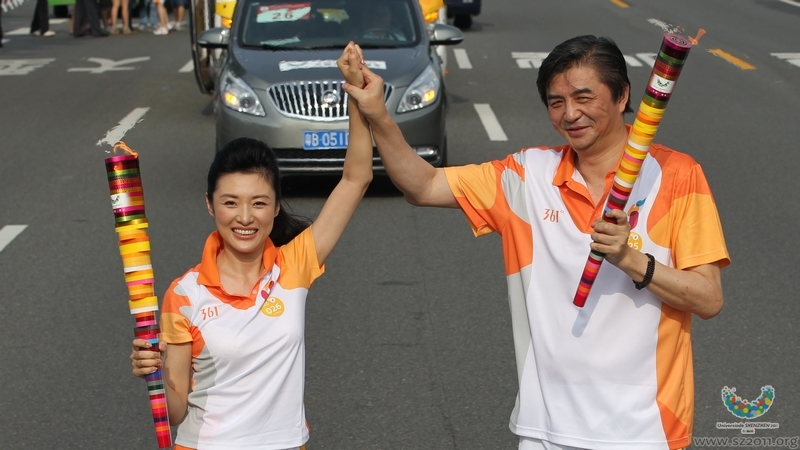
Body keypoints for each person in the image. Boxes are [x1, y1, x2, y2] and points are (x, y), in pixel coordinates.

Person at [342, 34, 729, 450]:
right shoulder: (527, 175)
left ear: (622, 97)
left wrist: (631, 259)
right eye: (556, 101)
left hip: (644, 431)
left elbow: (708, 298)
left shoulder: (677, 174)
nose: (570, 114)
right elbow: (423, 185)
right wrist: (377, 113)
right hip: (546, 428)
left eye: (584, 97)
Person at [129, 43, 372, 450]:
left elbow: (356, 178)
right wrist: (155, 377)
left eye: (258, 203)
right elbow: (176, 412)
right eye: (230, 203)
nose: (245, 217)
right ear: (210, 205)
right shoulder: (185, 294)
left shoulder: (293, 266)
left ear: (276, 207)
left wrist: (356, 91)